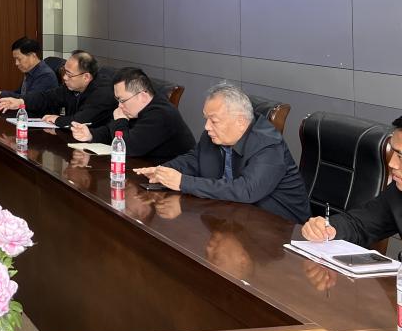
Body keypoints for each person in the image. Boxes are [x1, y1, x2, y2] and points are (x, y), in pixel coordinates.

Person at [135, 83, 310, 223]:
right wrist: (163, 171)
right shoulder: (214, 135)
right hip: (236, 217)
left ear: (240, 121)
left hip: (281, 230)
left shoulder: (268, 145)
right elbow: (194, 159)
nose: (207, 127)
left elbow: (246, 190)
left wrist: (182, 182)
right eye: (206, 119)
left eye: (214, 120)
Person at [301, 115, 402, 247]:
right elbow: (360, 224)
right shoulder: (397, 192)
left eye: (400, 157)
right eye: (394, 152)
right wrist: (327, 228)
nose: (392, 163)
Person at [69, 67, 194, 162]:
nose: (120, 105)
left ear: (142, 96)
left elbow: (128, 148)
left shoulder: (161, 114)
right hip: (144, 168)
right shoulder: (138, 109)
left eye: (122, 100)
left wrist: (120, 121)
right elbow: (113, 132)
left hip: (171, 178)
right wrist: (91, 134)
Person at [0, 49, 116, 129]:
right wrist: (21, 101)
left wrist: (58, 119)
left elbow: (81, 121)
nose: (64, 77)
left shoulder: (103, 93)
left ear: (86, 77)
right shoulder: (72, 85)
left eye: (69, 74)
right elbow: (48, 97)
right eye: (65, 72)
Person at [0, 37, 58, 101]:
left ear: (33, 56)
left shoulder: (45, 75)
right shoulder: (30, 71)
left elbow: (29, 100)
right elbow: (19, 94)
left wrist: (0, 94)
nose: (16, 63)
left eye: (19, 59)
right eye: (15, 59)